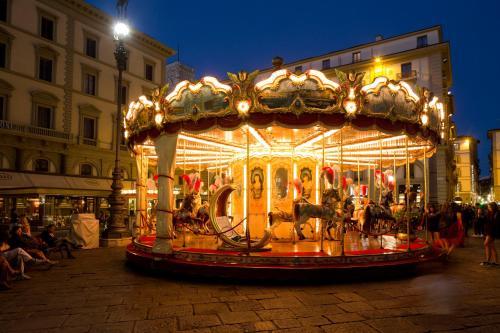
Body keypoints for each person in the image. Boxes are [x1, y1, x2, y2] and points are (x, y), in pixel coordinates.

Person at [481, 202, 500, 266]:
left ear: (493, 207)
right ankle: (491, 261)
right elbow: (486, 220)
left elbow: (496, 223)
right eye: (488, 207)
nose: (488, 208)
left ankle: (492, 261)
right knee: (491, 246)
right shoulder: (489, 213)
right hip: (488, 231)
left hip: (492, 231)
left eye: (489, 207)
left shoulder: (497, 213)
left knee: (486, 244)